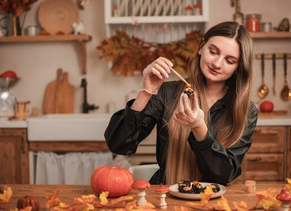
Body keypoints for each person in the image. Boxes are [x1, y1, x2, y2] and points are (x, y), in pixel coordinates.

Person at [104, 21, 258, 185]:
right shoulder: (167, 93)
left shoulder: (246, 112)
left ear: (239, 67)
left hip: (211, 202)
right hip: (164, 197)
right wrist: (146, 90)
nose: (217, 64)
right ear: (201, 47)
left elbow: (222, 175)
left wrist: (199, 128)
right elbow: (119, 145)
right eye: (213, 52)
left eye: (229, 61)